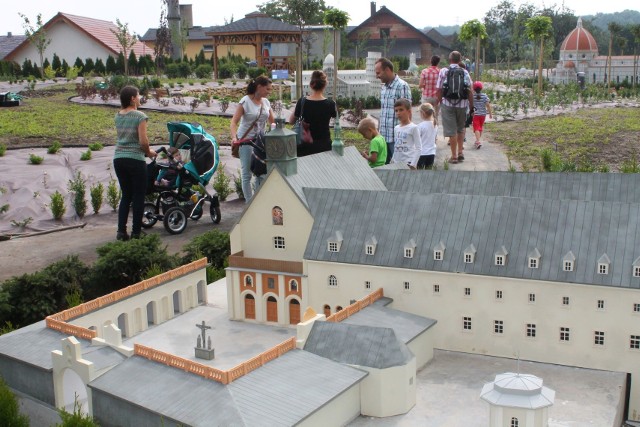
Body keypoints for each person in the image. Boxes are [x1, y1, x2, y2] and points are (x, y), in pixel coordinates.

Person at [113, 86, 157, 241]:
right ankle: (136, 233)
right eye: (138, 95)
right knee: (139, 196)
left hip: (119, 159)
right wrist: (149, 153)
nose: (140, 98)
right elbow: (143, 141)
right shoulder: (140, 116)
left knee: (126, 195)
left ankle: (121, 232)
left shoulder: (118, 116)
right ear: (132, 98)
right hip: (135, 160)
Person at [230, 76, 274, 203]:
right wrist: (234, 138)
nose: (269, 92)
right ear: (259, 87)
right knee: (247, 174)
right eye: (267, 89)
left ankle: (258, 200)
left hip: (260, 142)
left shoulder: (266, 102)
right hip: (246, 141)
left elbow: (272, 121)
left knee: (261, 171)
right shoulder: (245, 101)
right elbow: (233, 122)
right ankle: (249, 204)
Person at [288, 70, 337, 157]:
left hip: (304, 145)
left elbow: (291, 121)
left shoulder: (302, 101)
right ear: (325, 85)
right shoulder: (331, 104)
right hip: (324, 146)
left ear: (311, 85)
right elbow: (337, 120)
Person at [436, 51, 473, 164]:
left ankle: (454, 156)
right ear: (460, 60)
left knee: (452, 131)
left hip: (447, 104)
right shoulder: (465, 72)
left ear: (450, 59)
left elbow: (439, 89)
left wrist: (441, 102)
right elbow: (470, 91)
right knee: (460, 128)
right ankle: (461, 152)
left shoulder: (443, 71)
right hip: (462, 104)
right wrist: (472, 107)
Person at [374, 57, 411, 164]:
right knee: (384, 168)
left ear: (387, 70)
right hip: (384, 137)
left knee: (399, 168)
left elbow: (407, 113)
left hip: (397, 139)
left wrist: (405, 136)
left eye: (378, 73)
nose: (377, 76)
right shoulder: (384, 88)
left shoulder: (402, 86)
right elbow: (384, 112)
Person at [391, 98, 420, 170]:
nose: (398, 113)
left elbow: (418, 148)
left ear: (409, 111)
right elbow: (396, 146)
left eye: (401, 110)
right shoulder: (396, 128)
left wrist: (413, 164)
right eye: (396, 110)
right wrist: (392, 160)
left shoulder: (414, 128)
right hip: (396, 163)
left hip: (408, 163)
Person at [418, 55, 441, 125]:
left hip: (426, 96)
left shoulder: (425, 71)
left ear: (430, 61)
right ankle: (435, 132)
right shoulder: (440, 72)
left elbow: (420, 85)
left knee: (425, 116)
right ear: (438, 62)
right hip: (437, 97)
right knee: (435, 116)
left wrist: (425, 86)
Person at [471, 81, 492, 149]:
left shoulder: (473, 96)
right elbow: (488, 105)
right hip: (483, 115)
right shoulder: (485, 96)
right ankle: (477, 140)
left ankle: (478, 141)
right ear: (481, 88)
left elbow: (470, 105)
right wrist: (490, 114)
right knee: (480, 127)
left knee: (476, 128)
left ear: (473, 89)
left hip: (476, 114)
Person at [417, 103, 437, 169]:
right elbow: (435, 139)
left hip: (422, 153)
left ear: (423, 113)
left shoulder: (420, 126)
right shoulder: (435, 124)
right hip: (432, 152)